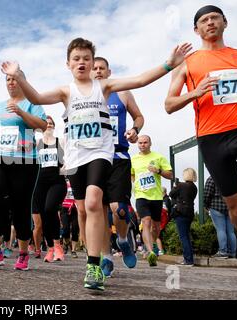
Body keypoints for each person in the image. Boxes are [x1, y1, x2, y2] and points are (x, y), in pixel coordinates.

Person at [1, 38, 190, 291]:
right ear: (68, 64)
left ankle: (93, 266)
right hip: (76, 158)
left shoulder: (106, 86)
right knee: (86, 209)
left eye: (86, 59)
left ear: (92, 63)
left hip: (100, 153)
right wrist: (19, 76)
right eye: (76, 58)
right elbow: (35, 96)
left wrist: (168, 64)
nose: (82, 62)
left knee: (93, 202)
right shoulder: (65, 91)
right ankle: (99, 256)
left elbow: (141, 79)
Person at [165, 5, 237, 267]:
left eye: (215, 18)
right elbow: (169, 104)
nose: (210, 22)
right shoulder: (189, 64)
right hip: (211, 139)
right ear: (196, 29)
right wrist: (196, 92)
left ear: (224, 22)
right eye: (204, 20)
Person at [0, 72, 47, 271]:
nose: (11, 82)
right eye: (8, 79)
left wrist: (21, 113)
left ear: (23, 82)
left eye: (15, 78)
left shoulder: (32, 103)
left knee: (20, 207)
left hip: (24, 160)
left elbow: (42, 125)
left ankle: (23, 252)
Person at [91, 56, 144, 276]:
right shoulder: (82, 97)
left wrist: (135, 130)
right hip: (93, 159)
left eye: (102, 68)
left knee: (119, 210)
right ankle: (105, 256)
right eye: (94, 68)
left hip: (119, 157)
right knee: (99, 212)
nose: (98, 71)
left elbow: (139, 117)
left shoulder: (122, 93)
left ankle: (123, 240)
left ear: (109, 72)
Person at [131, 135, 173, 267]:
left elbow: (171, 175)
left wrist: (158, 171)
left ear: (150, 143)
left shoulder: (158, 157)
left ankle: (153, 244)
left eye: (145, 142)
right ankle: (150, 253)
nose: (142, 145)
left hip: (156, 197)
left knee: (156, 227)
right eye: (140, 143)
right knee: (146, 222)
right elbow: (131, 174)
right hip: (141, 195)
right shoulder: (133, 159)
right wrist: (136, 184)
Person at [34, 115, 67, 263]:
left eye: (50, 123)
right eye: (45, 123)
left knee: (50, 209)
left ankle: (58, 245)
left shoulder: (61, 141)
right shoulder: (36, 143)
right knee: (43, 216)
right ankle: (50, 248)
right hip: (40, 183)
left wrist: (65, 168)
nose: (48, 125)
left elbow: (70, 158)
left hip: (57, 182)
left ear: (53, 126)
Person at [169, 168, 198, 266]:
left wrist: (175, 186)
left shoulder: (181, 185)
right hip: (190, 213)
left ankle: (188, 260)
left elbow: (171, 194)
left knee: (183, 237)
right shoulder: (194, 187)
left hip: (180, 212)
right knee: (186, 236)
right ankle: (189, 259)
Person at [204, 176, 237, 259]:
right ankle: (232, 253)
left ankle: (223, 252)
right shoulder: (232, 178)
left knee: (221, 230)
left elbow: (207, 194)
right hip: (230, 207)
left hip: (216, 207)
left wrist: (206, 206)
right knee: (231, 232)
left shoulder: (212, 177)